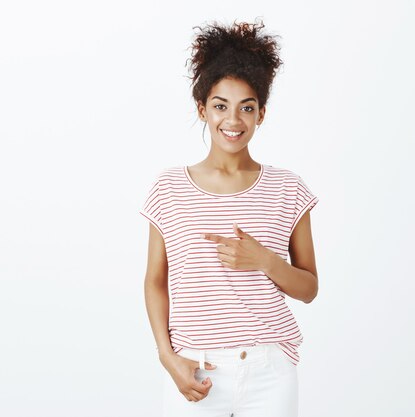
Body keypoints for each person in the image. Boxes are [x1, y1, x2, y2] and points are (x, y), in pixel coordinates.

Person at [139, 19, 320, 417]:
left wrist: (265, 261)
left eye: (247, 108)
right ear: (202, 109)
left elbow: (309, 289)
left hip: (269, 369)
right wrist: (168, 357)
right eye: (221, 106)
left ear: (262, 113)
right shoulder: (168, 188)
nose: (233, 121)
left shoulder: (288, 189)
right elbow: (155, 281)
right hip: (195, 367)